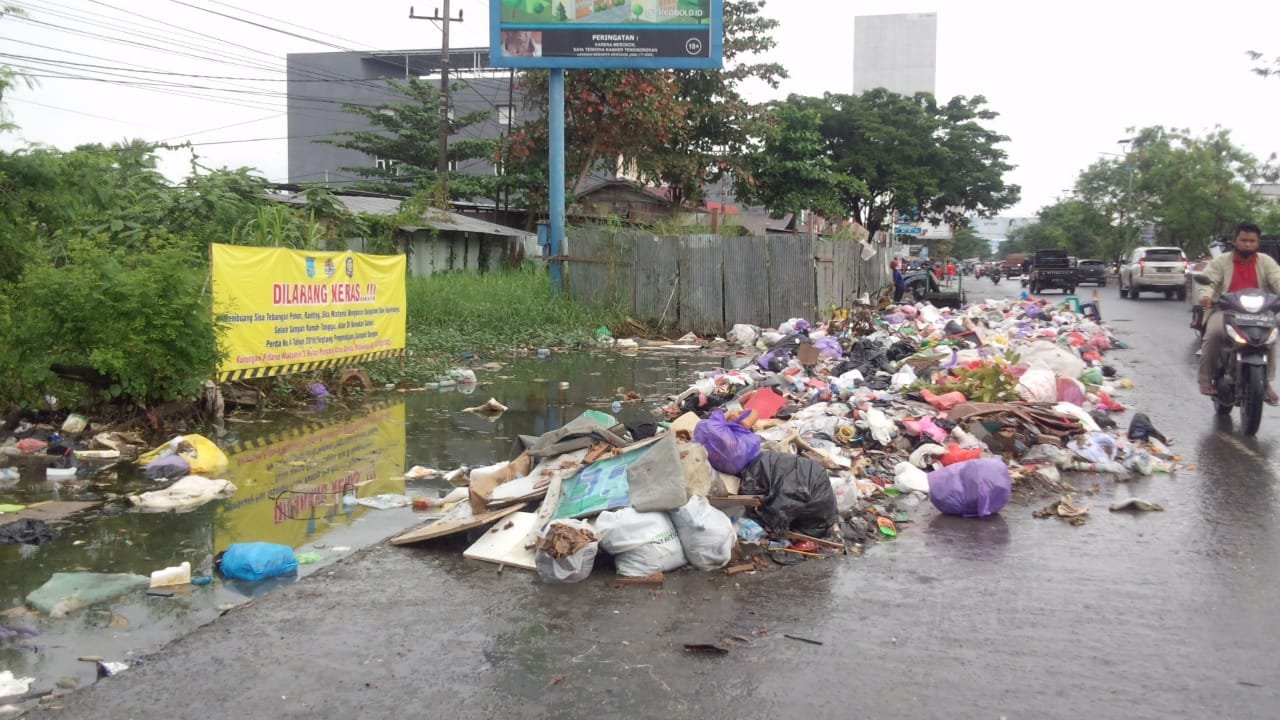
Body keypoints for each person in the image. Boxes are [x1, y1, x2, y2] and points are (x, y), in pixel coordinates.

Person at [1197, 221, 1280, 404]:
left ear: (1257, 243)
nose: (1248, 244)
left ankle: (1265, 382)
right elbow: (1208, 281)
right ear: (1235, 241)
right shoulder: (1221, 261)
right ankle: (1205, 378)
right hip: (1225, 310)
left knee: (1271, 336)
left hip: (1260, 311)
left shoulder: (1266, 262)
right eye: (1244, 240)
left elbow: (1277, 279)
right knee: (1213, 334)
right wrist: (1206, 296)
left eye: (1252, 241)